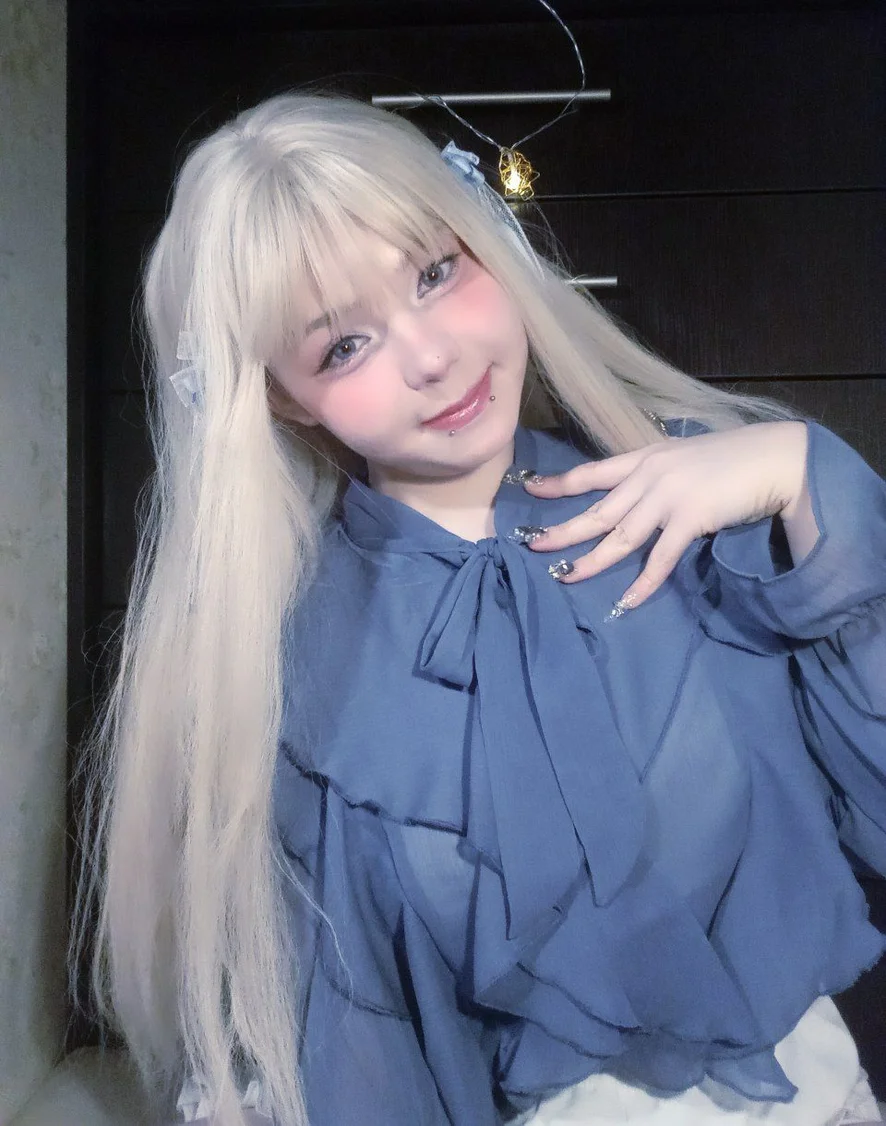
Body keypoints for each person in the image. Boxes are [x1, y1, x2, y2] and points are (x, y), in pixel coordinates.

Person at [70, 92, 886, 1126]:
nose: (434, 356)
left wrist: (803, 476)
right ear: (281, 398)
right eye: (343, 346)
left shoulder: (697, 505)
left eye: (435, 272)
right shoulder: (295, 691)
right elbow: (344, 1061)